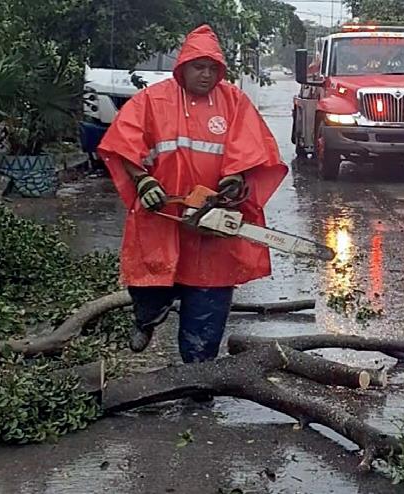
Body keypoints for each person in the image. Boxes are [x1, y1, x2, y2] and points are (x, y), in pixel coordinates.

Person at [97, 25, 288, 371]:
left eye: (212, 68)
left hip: (212, 218)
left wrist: (235, 178)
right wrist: (143, 181)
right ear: (183, 67)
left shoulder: (233, 102)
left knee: (209, 295)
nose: (206, 74)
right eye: (199, 67)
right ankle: (147, 318)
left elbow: (254, 149)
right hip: (164, 212)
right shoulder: (153, 100)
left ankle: (199, 372)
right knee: (151, 279)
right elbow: (122, 142)